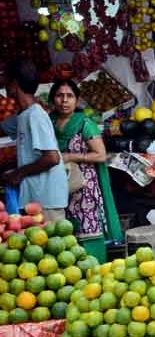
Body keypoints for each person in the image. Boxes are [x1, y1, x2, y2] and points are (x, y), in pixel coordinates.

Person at [49, 80, 123, 252]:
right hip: (58, 186)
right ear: (53, 99)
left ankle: (95, 268)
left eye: (70, 96)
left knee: (87, 231)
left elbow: (101, 155)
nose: (64, 100)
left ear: (77, 100)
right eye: (60, 96)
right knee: (64, 234)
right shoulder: (48, 122)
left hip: (83, 188)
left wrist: (70, 156)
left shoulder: (84, 123)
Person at [1, 60, 67, 220]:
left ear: (14, 84)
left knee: (55, 242)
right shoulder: (23, 115)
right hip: (36, 199)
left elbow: (52, 157)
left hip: (47, 201)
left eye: (4, 78)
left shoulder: (36, 116)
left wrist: (19, 173)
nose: (2, 83)